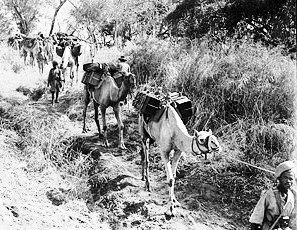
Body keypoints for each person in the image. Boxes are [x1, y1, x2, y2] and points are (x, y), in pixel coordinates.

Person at [249, 160, 297, 230]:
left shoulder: (293, 196)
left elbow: (293, 219)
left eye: (291, 179)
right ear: (279, 178)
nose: (288, 181)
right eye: (285, 178)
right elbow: (256, 218)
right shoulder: (269, 194)